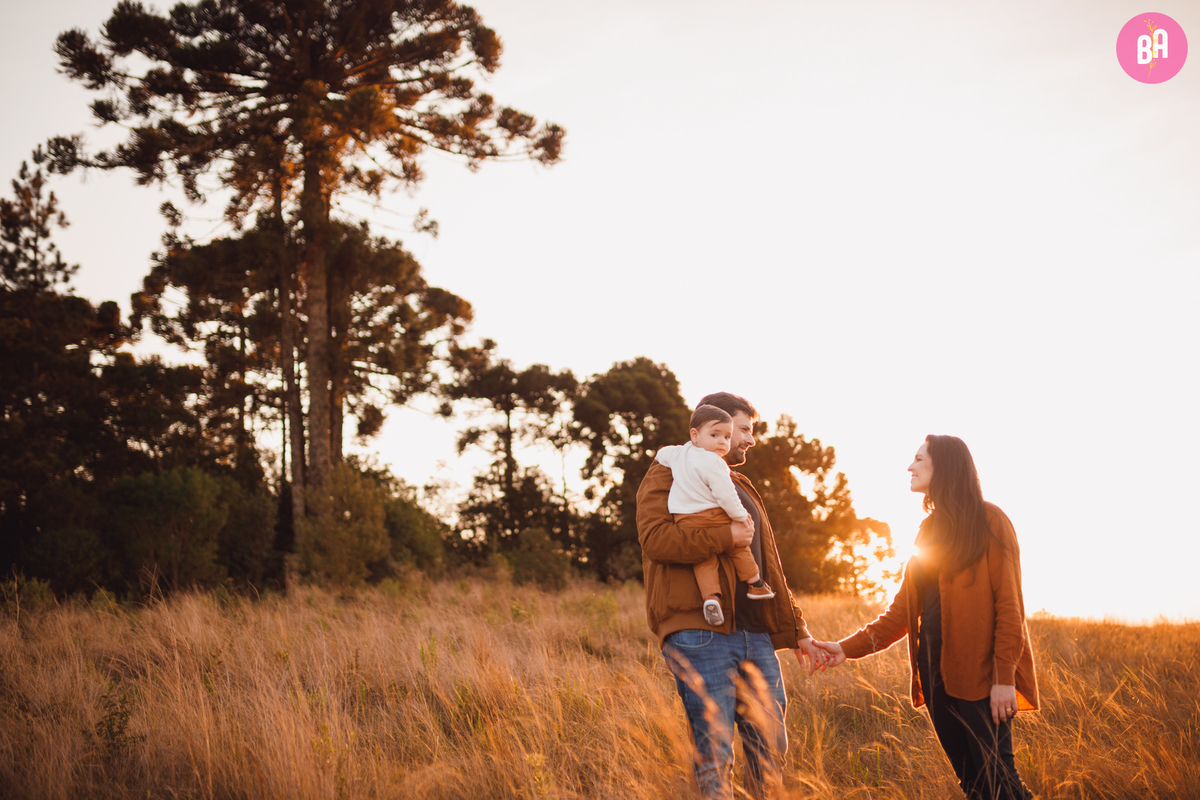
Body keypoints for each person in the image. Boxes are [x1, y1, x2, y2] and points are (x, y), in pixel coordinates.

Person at [816, 435, 1038, 800]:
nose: (910, 466)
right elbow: (901, 613)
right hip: (935, 677)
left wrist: (1003, 679)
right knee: (973, 784)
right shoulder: (927, 530)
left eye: (919, 459)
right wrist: (845, 648)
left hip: (981, 676)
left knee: (1001, 783)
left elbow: (1010, 608)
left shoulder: (991, 521)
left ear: (944, 468)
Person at [636, 391, 829, 800]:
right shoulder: (668, 470)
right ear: (706, 429)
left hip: (755, 634)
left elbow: (767, 562)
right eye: (742, 429)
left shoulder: (739, 484)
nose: (746, 440)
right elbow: (656, 541)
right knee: (714, 754)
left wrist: (798, 630)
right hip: (699, 630)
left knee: (771, 749)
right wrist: (725, 535)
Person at [655, 403, 776, 627]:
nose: (723, 441)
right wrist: (740, 518)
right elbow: (726, 497)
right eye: (716, 434)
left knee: (703, 560)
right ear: (695, 434)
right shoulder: (714, 463)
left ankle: (711, 598)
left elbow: (662, 453)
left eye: (727, 436)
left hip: (685, 518)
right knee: (739, 547)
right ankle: (756, 584)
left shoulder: (680, 456)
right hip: (699, 630)